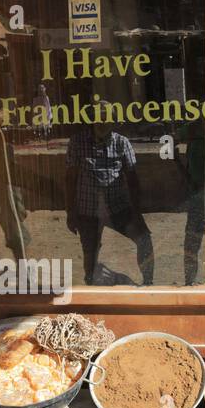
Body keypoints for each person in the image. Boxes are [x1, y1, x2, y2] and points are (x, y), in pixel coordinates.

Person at [66, 113, 154, 286]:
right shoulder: (78, 142)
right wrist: (71, 212)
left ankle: (149, 284)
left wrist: (136, 212)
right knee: (90, 252)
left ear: (113, 122)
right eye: (98, 118)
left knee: (145, 239)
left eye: (107, 119)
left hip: (117, 207)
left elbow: (132, 179)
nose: (102, 122)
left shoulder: (121, 142)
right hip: (88, 210)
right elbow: (70, 178)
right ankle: (91, 287)